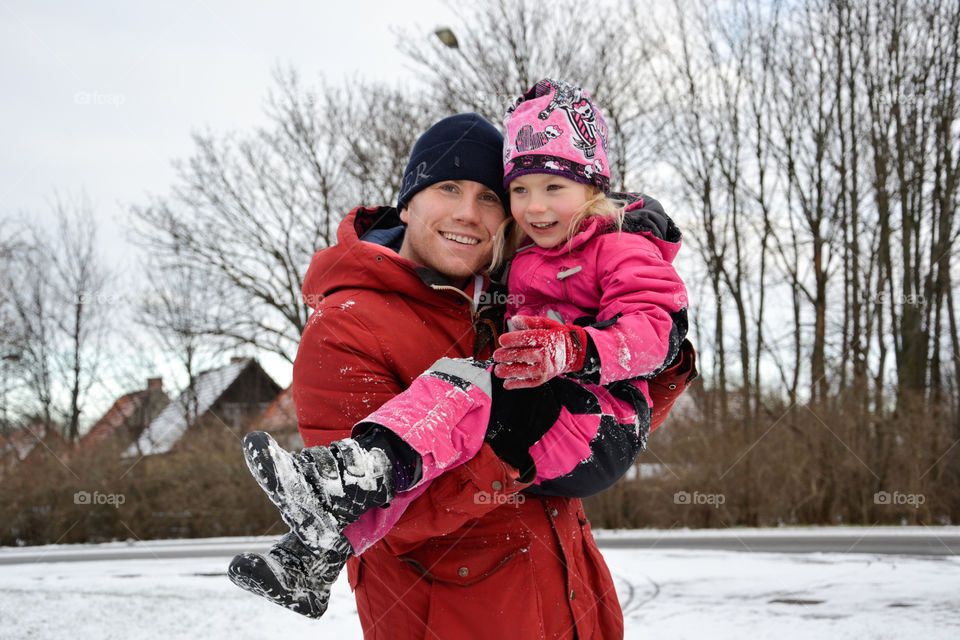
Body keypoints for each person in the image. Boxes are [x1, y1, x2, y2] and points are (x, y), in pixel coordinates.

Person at [231, 81, 696, 639]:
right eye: (449, 187)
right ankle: (321, 530)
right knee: (436, 412)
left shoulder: (507, 286)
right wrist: (504, 447)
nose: (470, 214)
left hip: (574, 609)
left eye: (489, 197)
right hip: (460, 622)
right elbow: (402, 528)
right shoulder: (347, 327)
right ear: (409, 200)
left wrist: (645, 359)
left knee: (455, 397)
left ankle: (330, 519)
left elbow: (608, 414)